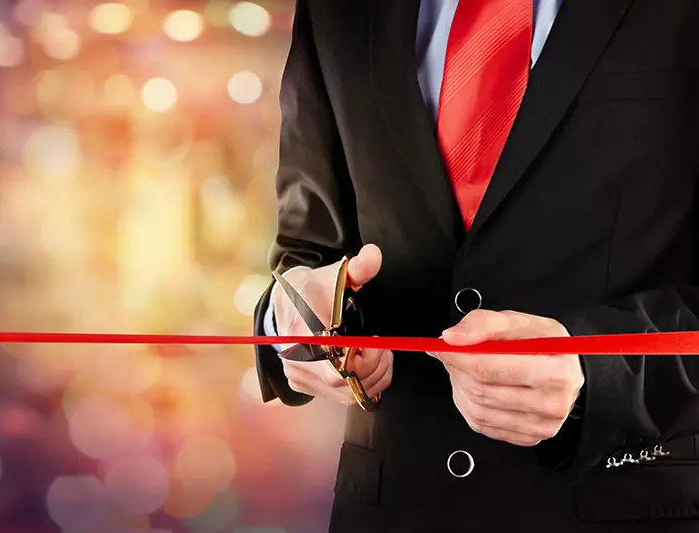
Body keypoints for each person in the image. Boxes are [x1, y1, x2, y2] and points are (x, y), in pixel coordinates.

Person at [252, 0, 699, 531]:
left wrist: (602, 376)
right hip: (390, 511)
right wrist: (291, 324)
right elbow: (306, 254)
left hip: (618, 505)